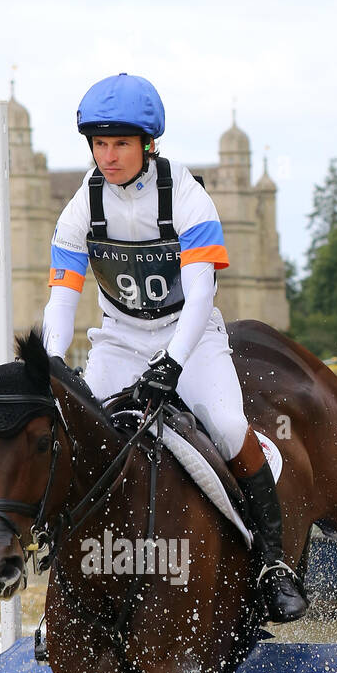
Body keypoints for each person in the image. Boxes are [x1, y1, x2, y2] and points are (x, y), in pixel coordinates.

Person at [40, 72, 307, 625]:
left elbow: (203, 291)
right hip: (118, 340)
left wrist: (174, 362)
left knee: (230, 429)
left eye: (120, 144)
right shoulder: (79, 208)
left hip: (190, 336)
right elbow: (63, 296)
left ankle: (273, 565)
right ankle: (61, 597)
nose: (108, 156)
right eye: (99, 144)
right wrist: (51, 365)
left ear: (148, 145)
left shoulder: (186, 195)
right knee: (80, 443)